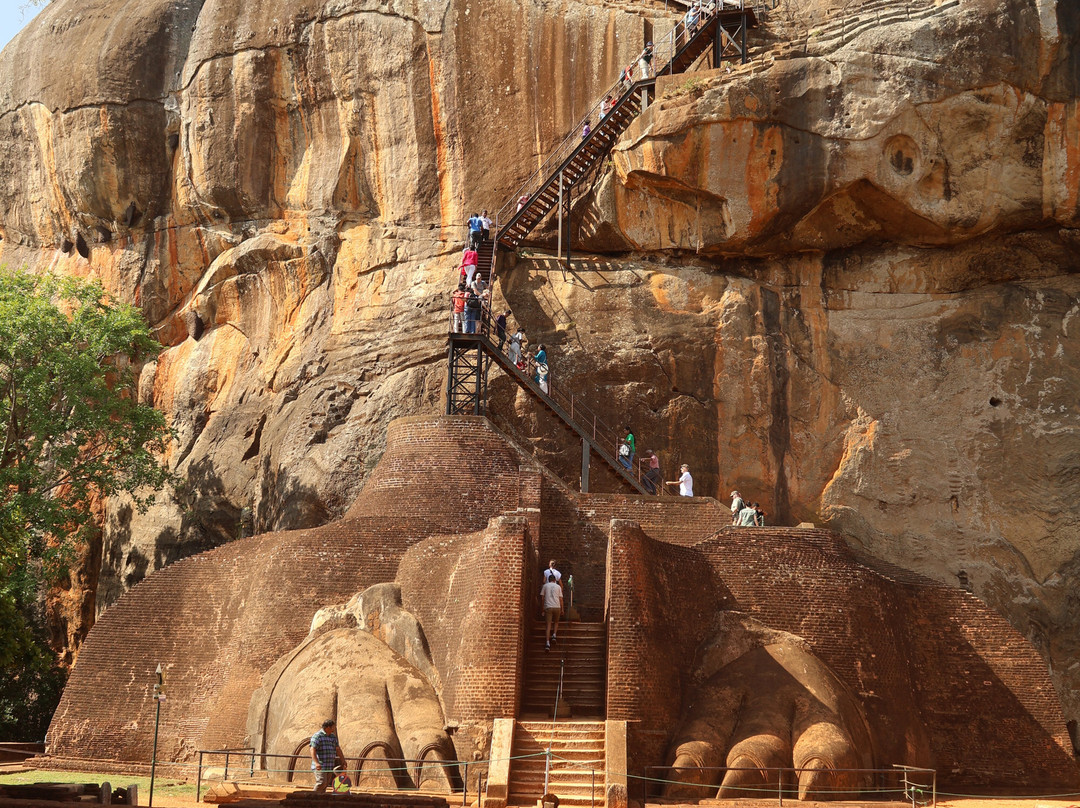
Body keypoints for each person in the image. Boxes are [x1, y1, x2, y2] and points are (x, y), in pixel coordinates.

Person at [310, 719, 345, 793]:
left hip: (329, 765)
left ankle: (321, 801)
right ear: (328, 728)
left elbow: (338, 749)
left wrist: (343, 760)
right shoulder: (317, 736)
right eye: (333, 727)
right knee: (321, 783)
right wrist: (316, 763)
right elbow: (312, 749)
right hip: (321, 765)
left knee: (325, 784)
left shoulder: (332, 737)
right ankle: (312, 798)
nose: (333, 729)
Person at [540, 575, 563, 651]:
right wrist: (562, 609)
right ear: (555, 580)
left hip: (548, 607)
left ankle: (547, 643)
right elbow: (560, 599)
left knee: (548, 625)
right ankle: (554, 635)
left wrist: (542, 609)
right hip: (557, 606)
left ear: (548, 580)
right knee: (556, 622)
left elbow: (542, 598)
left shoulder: (545, 586)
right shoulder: (558, 587)